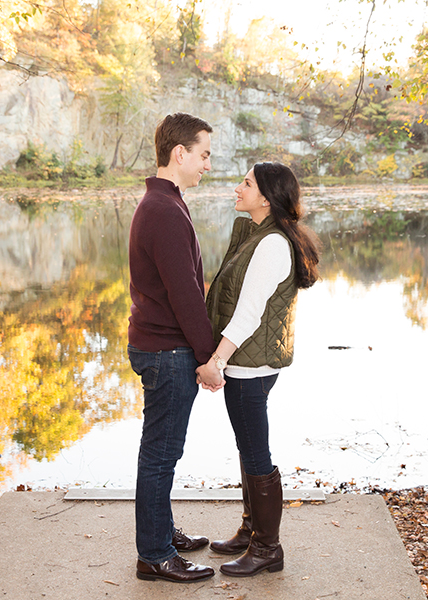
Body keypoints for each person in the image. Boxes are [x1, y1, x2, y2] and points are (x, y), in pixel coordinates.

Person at [196, 162, 320, 577]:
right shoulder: (260, 236)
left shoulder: (271, 245)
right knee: (249, 448)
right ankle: (253, 531)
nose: (237, 188)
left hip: (249, 366)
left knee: (255, 453)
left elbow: (248, 313)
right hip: (250, 363)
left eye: (245, 183)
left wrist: (217, 360)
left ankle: (268, 548)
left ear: (266, 197)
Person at [127, 112, 224, 583]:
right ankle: (155, 555)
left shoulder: (164, 202)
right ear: (179, 153)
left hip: (160, 345)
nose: (208, 163)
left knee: (161, 450)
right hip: (167, 352)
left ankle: (161, 532)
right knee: (161, 454)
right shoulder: (164, 210)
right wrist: (208, 358)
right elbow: (185, 293)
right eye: (204, 154)